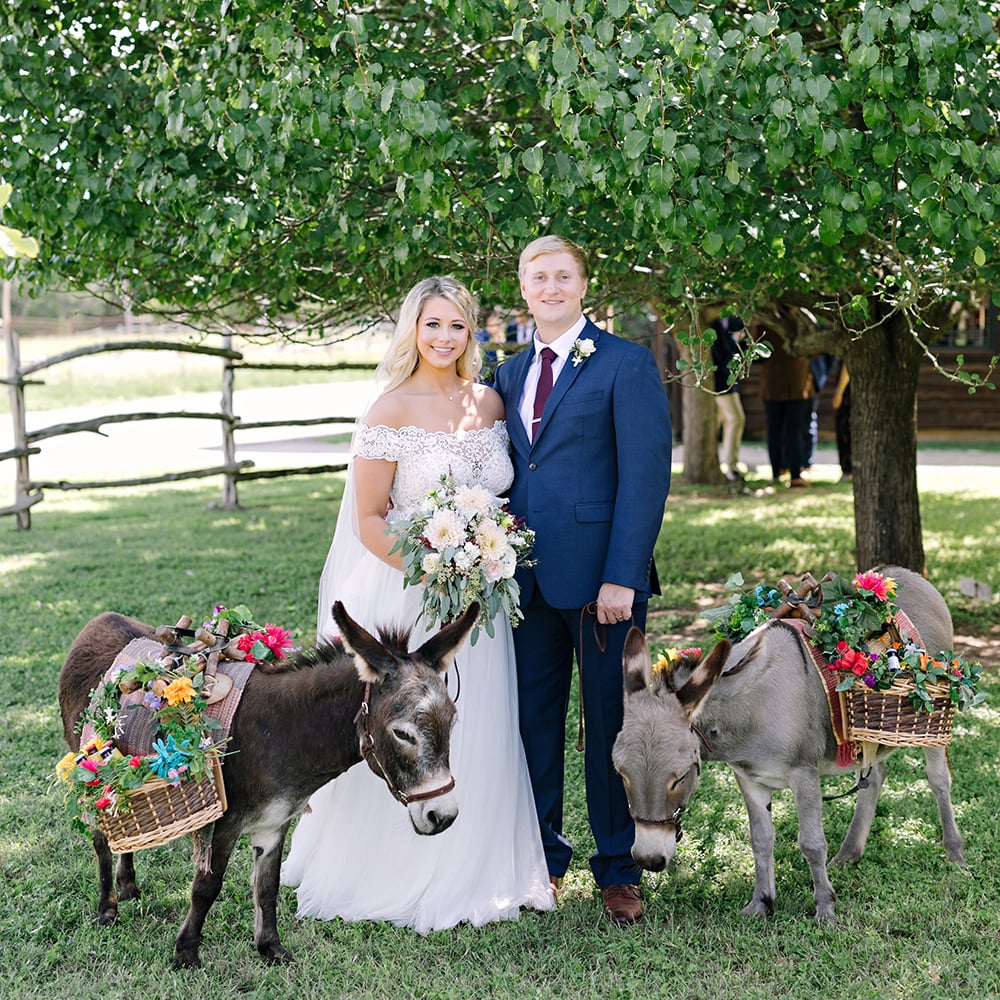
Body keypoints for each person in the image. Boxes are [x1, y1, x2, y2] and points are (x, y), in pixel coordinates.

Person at [280, 276, 553, 932]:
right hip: (408, 598)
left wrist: (484, 558)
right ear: (413, 330)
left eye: (456, 325)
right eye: (432, 325)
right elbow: (370, 519)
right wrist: (432, 569)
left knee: (478, 723)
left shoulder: (488, 404)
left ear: (471, 331)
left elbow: (498, 501)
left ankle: (486, 869)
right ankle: (387, 869)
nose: (444, 337)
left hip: (477, 605)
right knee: (407, 726)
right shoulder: (388, 411)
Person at [493, 236, 672, 925]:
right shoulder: (506, 375)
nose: (550, 285)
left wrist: (622, 576)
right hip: (526, 584)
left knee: (611, 731)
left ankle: (618, 867)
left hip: (605, 585)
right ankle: (543, 860)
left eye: (563, 274)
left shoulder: (625, 364)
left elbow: (645, 478)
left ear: (582, 283)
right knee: (532, 726)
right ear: (524, 287)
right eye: (538, 276)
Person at [758, 332, 814, 487]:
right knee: (792, 433)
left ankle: (778, 472)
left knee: (776, 432)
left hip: (779, 387)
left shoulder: (765, 324)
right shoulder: (799, 325)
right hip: (793, 386)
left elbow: (758, 356)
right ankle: (793, 474)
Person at [709, 314, 747, 481]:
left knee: (727, 421)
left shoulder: (733, 321)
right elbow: (721, 355)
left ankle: (730, 466)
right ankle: (731, 466)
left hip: (728, 382)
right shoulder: (713, 325)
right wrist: (734, 341)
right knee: (736, 419)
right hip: (721, 384)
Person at [832, 357, 852, 482]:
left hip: (848, 395)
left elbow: (847, 366)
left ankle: (849, 470)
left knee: (846, 430)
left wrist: (839, 391)